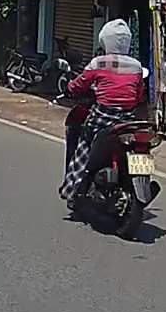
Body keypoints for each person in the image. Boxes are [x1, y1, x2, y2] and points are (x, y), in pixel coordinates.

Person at [58, 19, 147, 207]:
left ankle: (72, 188)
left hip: (102, 117)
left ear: (105, 40)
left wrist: (69, 88)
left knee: (84, 145)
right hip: (128, 118)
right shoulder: (137, 66)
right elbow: (139, 95)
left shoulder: (98, 63)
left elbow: (79, 84)